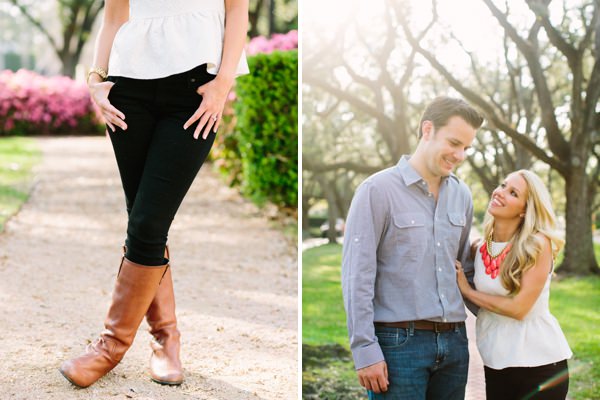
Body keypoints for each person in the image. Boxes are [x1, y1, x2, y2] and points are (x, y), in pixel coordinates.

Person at [59, 0, 249, 388]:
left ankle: (110, 347)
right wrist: (95, 81)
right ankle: (167, 339)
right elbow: (114, 18)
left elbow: (238, 13)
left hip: (194, 93)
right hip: (128, 91)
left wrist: (223, 84)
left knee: (147, 221)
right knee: (144, 221)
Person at [341, 96, 484, 399]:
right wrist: (365, 349)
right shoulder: (376, 190)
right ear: (427, 129)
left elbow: (462, 270)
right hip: (398, 344)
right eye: (454, 143)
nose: (459, 155)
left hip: (455, 344)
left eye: (466, 148)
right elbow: (357, 276)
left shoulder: (463, 195)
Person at [455, 170, 572, 400]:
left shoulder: (537, 244)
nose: (499, 193)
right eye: (503, 185)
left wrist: (467, 291)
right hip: (496, 362)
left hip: (540, 365)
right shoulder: (480, 248)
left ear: (525, 209)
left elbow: (519, 308)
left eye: (513, 193)